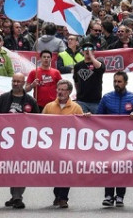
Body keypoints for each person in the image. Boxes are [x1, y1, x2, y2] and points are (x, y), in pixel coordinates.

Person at [97, 71, 133, 207]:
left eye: (119, 81)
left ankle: (120, 196)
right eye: (115, 81)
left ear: (126, 83)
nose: (116, 84)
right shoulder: (106, 98)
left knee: (123, 168)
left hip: (127, 140)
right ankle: (108, 195)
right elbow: (98, 117)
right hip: (109, 140)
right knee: (109, 167)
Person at [0, 73, 40, 208]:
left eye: (19, 82)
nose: (16, 84)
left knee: (21, 168)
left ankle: (17, 196)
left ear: (24, 83)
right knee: (10, 169)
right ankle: (14, 194)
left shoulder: (31, 101)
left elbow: (38, 120)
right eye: (14, 81)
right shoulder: (4, 98)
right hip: (7, 140)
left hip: (24, 141)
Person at [43, 79, 84, 209]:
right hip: (53, 146)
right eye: (59, 89)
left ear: (69, 92)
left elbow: (82, 126)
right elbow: (40, 123)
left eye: (63, 90)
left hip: (68, 146)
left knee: (66, 172)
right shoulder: (49, 107)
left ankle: (63, 198)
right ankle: (57, 194)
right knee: (55, 173)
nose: (60, 92)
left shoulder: (76, 107)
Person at [73, 42, 106, 113]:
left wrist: (92, 57)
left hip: (95, 101)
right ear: (82, 51)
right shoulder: (77, 66)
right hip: (81, 101)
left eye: (90, 49)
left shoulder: (99, 63)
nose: (88, 50)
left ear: (94, 51)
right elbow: (76, 81)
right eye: (85, 49)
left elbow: (100, 68)